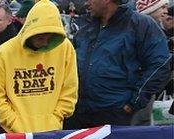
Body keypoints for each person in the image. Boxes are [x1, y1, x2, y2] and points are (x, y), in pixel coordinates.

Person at [65, 0, 170, 128]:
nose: (85, 4)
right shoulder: (85, 29)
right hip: (79, 115)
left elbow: (159, 65)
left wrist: (133, 103)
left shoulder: (140, 25)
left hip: (116, 116)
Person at [0, 0, 78, 133]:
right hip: (13, 134)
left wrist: (56, 118)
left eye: (50, 37)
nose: (45, 42)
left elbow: (69, 90)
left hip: (51, 133)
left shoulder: (65, 49)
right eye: (41, 38)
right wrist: (14, 123)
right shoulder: (3, 54)